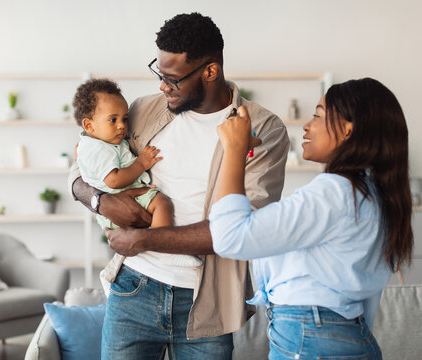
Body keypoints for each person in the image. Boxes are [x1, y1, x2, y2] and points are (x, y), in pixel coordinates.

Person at [69, 13, 290, 359]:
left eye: (172, 79)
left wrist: (144, 238)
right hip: (134, 286)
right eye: (159, 74)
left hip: (207, 301)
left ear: (210, 71)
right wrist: (99, 200)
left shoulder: (265, 130)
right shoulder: (144, 110)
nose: (162, 86)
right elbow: (81, 167)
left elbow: (245, 230)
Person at [209, 78, 413, 359]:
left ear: (347, 130)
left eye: (318, 115)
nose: (307, 125)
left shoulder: (335, 192)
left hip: (310, 337)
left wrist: (233, 150)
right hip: (349, 337)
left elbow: (230, 237)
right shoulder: (373, 194)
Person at [72, 78, 202, 268]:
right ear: (89, 125)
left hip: (116, 203)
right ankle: (165, 251)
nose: (121, 126)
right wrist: (141, 163)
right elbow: (114, 180)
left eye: (124, 119)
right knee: (162, 204)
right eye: (113, 120)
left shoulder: (92, 144)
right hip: (121, 196)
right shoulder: (101, 149)